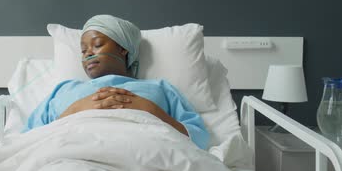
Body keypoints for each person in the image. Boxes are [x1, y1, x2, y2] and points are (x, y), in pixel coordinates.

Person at [22, 15, 210, 150]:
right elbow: (26, 142)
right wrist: (74, 111)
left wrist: (152, 111)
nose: (88, 53)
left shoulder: (159, 89)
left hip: (147, 157)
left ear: (124, 49)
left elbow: (199, 140)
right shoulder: (64, 90)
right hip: (72, 159)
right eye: (83, 50)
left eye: (97, 45)